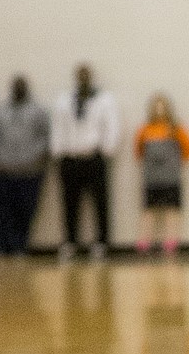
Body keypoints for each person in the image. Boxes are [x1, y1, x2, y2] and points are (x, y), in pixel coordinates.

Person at [50, 65, 119, 259]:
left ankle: (102, 242)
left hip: (94, 158)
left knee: (100, 202)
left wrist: (107, 150)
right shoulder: (65, 100)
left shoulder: (104, 99)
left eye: (86, 75)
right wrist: (58, 152)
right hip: (70, 158)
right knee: (69, 202)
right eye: (80, 76)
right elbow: (58, 127)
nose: (83, 79)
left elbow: (111, 126)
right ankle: (70, 241)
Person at [0, 76, 50, 256]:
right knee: (3, 211)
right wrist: (0, 159)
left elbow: (45, 138)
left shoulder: (38, 111)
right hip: (4, 170)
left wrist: (32, 158)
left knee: (25, 210)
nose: (19, 89)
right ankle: (2, 245)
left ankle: (20, 245)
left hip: (30, 172)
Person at [134, 94, 189, 255]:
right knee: (149, 210)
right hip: (151, 179)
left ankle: (171, 243)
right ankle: (144, 243)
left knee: (171, 211)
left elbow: (186, 151)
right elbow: (138, 152)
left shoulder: (176, 129)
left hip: (171, 179)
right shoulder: (145, 130)